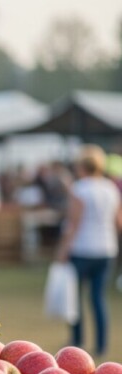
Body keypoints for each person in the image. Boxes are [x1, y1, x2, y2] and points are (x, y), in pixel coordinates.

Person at [55, 145, 122, 357]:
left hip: (82, 249)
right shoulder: (110, 188)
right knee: (98, 298)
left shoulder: (79, 189)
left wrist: (63, 249)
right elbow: (117, 221)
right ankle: (101, 344)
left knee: (74, 298)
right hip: (106, 249)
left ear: (82, 166)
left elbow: (74, 223)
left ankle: (77, 340)